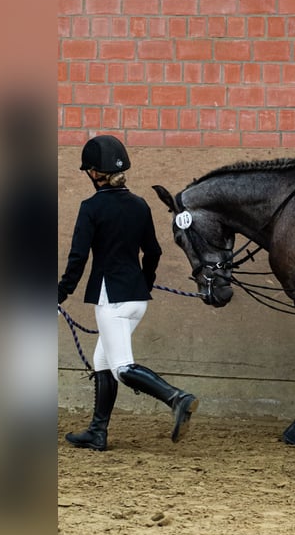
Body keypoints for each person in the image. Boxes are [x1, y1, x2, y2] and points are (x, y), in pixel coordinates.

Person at [58, 135, 198, 451]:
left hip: (113, 298)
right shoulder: (139, 205)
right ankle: (97, 431)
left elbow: (78, 259)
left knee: (122, 367)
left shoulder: (91, 207)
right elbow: (154, 252)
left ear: (95, 173)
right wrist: (145, 282)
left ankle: (176, 398)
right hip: (136, 298)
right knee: (101, 360)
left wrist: (59, 294)